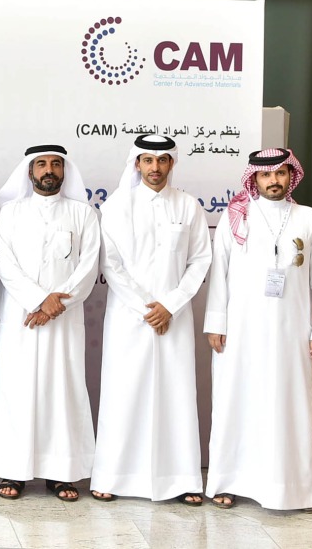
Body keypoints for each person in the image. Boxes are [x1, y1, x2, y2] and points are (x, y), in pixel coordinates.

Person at [204, 148, 312, 511]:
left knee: (287, 404)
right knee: (236, 402)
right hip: (240, 332)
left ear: (291, 176)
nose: (273, 180)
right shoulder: (236, 216)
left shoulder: (309, 218)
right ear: (254, 179)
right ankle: (227, 481)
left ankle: (291, 490)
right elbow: (220, 275)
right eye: (265, 175)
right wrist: (216, 322)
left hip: (292, 332)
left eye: (280, 174)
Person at [89, 135, 211, 505]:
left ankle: (182, 479)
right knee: (124, 394)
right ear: (137, 164)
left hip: (173, 318)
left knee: (175, 396)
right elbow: (111, 264)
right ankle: (112, 475)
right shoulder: (116, 206)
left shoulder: (188, 206)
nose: (155, 168)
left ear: (172, 164)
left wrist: (169, 305)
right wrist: (148, 308)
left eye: (162, 161)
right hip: (130, 318)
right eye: (147, 160)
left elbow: (200, 261)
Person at [0, 145, 100, 502]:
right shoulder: (10, 213)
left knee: (62, 392)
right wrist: (40, 300)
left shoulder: (83, 214)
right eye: (41, 164)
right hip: (22, 319)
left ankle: (61, 473)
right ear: (29, 171)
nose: (48, 170)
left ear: (65, 171)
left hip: (64, 321)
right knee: (17, 392)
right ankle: (14, 471)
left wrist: (54, 304)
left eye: (55, 164)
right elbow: (5, 264)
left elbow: (89, 266)